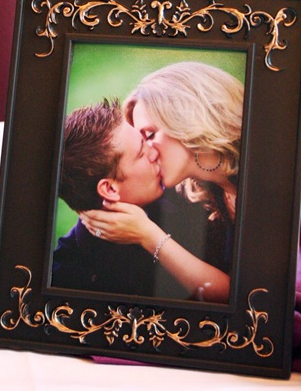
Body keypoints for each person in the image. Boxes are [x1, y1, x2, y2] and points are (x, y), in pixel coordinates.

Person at [52, 97, 231, 302]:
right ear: (109, 189)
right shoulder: (68, 277)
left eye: (146, 139)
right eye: (140, 153)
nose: (154, 152)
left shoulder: (188, 194)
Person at [80, 62, 243, 285]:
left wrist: (149, 236)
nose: (148, 153)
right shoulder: (194, 193)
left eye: (149, 135)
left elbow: (246, 297)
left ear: (186, 119)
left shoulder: (266, 179)